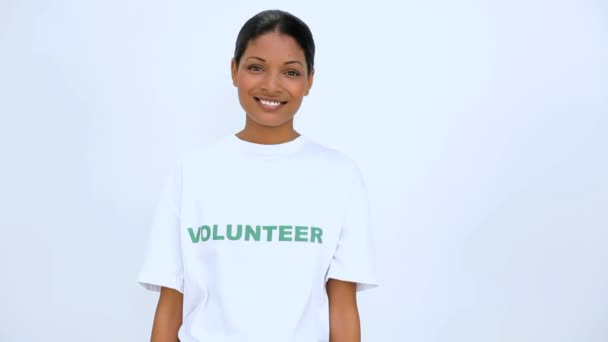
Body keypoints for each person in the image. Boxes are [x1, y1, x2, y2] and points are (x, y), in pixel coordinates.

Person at [138, 9, 378, 342]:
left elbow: (342, 306)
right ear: (234, 70)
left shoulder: (339, 176)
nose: (271, 85)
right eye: (256, 67)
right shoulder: (192, 172)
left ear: (309, 80)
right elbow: (170, 302)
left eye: (291, 72)